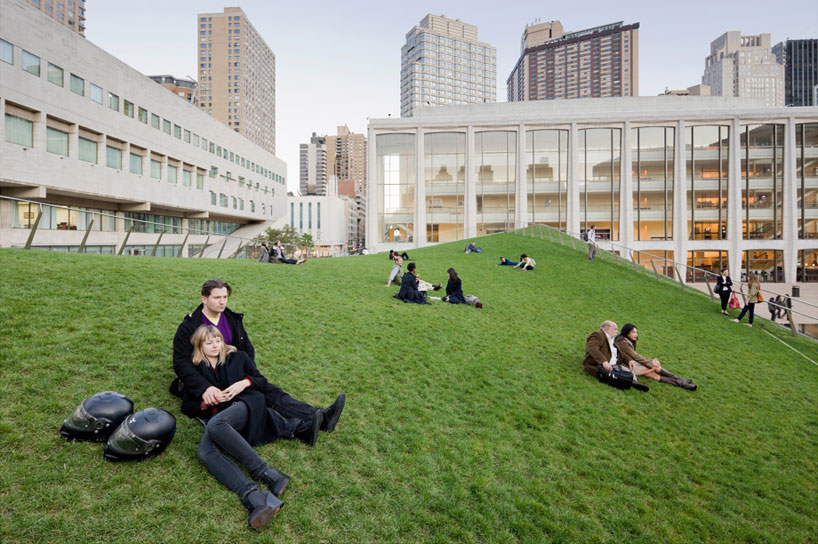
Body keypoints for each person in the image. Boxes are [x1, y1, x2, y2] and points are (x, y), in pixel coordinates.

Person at [171, 279, 346, 435]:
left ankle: (321, 416)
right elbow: (181, 362)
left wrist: (248, 374)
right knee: (255, 399)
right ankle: (300, 428)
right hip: (211, 378)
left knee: (271, 391)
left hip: (233, 371)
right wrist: (205, 388)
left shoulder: (231, 318)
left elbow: (247, 348)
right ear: (204, 299)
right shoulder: (189, 325)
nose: (222, 301)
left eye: (225, 297)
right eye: (217, 297)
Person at [181, 325, 308, 528]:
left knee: (216, 424)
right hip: (220, 415)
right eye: (209, 342)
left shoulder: (236, 357)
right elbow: (187, 405)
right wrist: (206, 401)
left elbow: (261, 380)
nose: (215, 345)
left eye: (218, 341)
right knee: (204, 452)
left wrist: (245, 382)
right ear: (199, 346)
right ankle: (256, 497)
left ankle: (266, 473)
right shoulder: (195, 372)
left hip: (245, 404)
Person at [614, 324, 697, 390]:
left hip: (630, 363)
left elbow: (634, 356)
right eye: (633, 332)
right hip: (625, 366)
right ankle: (682, 382)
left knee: (654, 375)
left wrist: (650, 361)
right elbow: (635, 356)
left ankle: (682, 382)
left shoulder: (626, 340)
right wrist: (651, 363)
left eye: (636, 332)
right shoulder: (623, 342)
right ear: (627, 333)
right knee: (656, 368)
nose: (636, 334)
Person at [582, 320, 648, 391]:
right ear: (607, 329)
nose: (617, 331)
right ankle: (630, 382)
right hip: (599, 366)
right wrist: (603, 361)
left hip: (614, 364)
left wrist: (629, 360)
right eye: (615, 329)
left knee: (629, 372)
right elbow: (592, 348)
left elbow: (619, 352)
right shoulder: (597, 335)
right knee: (618, 376)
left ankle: (634, 382)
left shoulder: (611, 338)